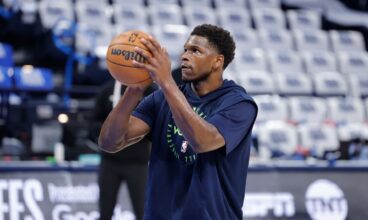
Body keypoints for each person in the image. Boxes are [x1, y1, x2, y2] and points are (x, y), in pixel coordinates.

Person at [98, 24, 258, 219]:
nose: (184, 56)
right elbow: (109, 142)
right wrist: (134, 89)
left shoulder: (238, 103)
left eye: (195, 51)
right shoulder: (160, 99)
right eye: (185, 50)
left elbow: (202, 141)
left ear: (217, 61)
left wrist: (166, 81)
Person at [90, 80, 156, 220]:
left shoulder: (151, 90)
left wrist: (134, 130)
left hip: (139, 163)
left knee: (143, 212)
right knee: (105, 212)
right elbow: (93, 123)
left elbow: (156, 122)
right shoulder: (106, 90)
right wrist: (113, 130)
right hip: (110, 162)